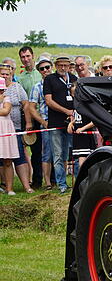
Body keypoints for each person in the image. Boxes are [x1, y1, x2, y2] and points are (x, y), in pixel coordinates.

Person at [44, 54, 77, 193]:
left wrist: (74, 113)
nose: (63, 68)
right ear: (56, 66)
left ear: (69, 66)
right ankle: (62, 185)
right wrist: (66, 111)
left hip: (71, 123)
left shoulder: (74, 79)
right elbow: (49, 101)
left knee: (71, 154)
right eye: (60, 65)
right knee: (57, 155)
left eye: (66, 65)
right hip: (56, 123)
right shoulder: (50, 79)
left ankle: (75, 183)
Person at [0, 64, 33, 193]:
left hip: (14, 127)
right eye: (2, 74)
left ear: (11, 75)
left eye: (7, 74)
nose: (5, 76)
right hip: (2, 129)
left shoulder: (17, 88)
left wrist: (28, 122)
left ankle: (26, 186)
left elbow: (25, 105)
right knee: (2, 158)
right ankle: (5, 185)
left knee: (18, 155)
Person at [17, 46, 43, 188]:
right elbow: (24, 102)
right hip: (30, 118)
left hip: (44, 114)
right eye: (23, 57)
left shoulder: (41, 73)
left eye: (28, 56)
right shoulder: (21, 79)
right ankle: (37, 181)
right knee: (36, 151)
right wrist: (28, 121)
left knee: (49, 150)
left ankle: (52, 180)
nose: (26, 59)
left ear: (33, 56)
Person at [29, 58, 53, 189]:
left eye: (47, 67)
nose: (45, 70)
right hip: (46, 123)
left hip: (60, 122)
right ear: (39, 71)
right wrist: (42, 122)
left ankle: (59, 181)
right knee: (46, 154)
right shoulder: (37, 87)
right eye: (42, 69)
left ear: (51, 67)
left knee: (61, 153)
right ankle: (48, 182)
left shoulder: (59, 83)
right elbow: (31, 107)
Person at [0, 78, 20, 195]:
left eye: (2, 90)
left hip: (5, 128)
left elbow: (6, 111)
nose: (1, 92)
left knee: (8, 160)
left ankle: (9, 188)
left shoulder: (7, 98)